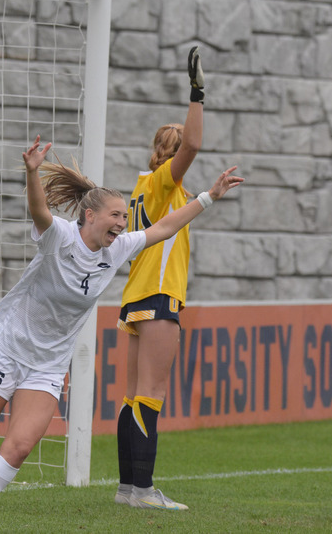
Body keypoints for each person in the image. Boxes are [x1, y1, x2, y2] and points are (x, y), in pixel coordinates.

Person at [0, 134, 242, 534]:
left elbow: (165, 226)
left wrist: (209, 196)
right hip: (9, 351)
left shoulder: (116, 250)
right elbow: (39, 210)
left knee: (20, 447)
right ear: (90, 216)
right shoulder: (58, 237)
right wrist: (31, 173)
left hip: (47, 367)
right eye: (115, 215)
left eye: (124, 218)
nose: (122, 223)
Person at [114, 45, 208, 511]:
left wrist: (212, 195)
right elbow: (192, 145)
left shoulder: (145, 187)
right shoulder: (161, 183)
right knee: (152, 394)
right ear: (169, 157)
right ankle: (145, 490)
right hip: (157, 297)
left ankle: (128, 488)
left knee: (133, 395)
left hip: (136, 296)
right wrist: (197, 95)